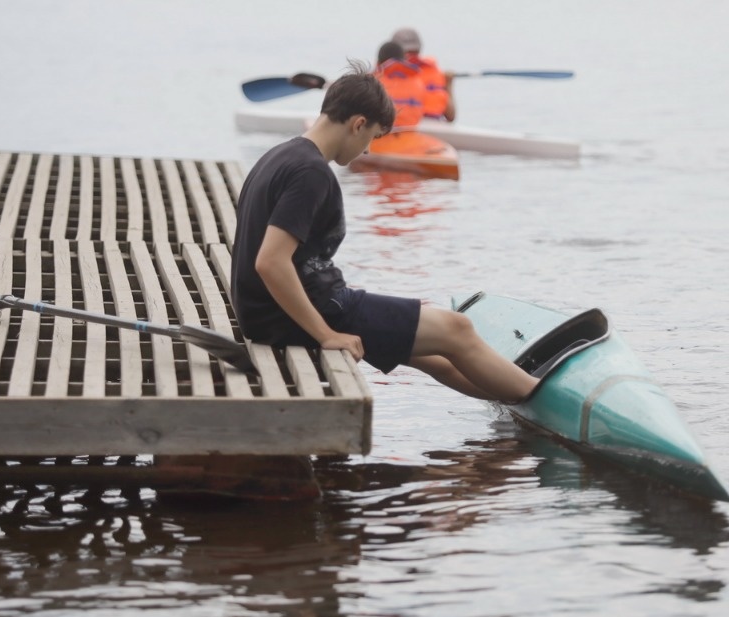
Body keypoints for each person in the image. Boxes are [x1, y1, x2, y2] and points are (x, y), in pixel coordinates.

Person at [230, 63, 537, 403]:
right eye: (372, 137)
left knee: (436, 357)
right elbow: (270, 262)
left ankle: (516, 400)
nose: (368, 150)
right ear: (358, 123)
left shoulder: (280, 155)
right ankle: (539, 396)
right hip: (302, 314)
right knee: (456, 329)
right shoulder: (311, 173)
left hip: (267, 313)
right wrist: (326, 334)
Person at [391, 27, 455, 122]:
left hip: (412, 127)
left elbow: (450, 116)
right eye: (407, 52)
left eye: (413, 52)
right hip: (415, 127)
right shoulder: (434, 72)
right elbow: (451, 117)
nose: (410, 57)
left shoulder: (383, 74)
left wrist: (448, 85)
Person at [374, 41, 426, 128]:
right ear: (405, 60)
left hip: (384, 135)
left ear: (378, 63)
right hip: (409, 134)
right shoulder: (418, 82)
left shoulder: (373, 81)